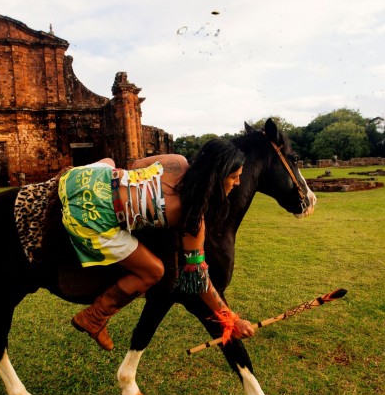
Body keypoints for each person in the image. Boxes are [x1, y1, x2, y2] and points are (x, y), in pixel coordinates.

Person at [59, 139, 256, 351]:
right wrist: (231, 319)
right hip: (90, 215)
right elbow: (199, 278)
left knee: (109, 162)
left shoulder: (176, 161)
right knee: (154, 271)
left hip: (80, 179)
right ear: (217, 177)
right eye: (234, 177)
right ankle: (94, 317)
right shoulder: (193, 218)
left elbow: (135, 166)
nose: (237, 183)